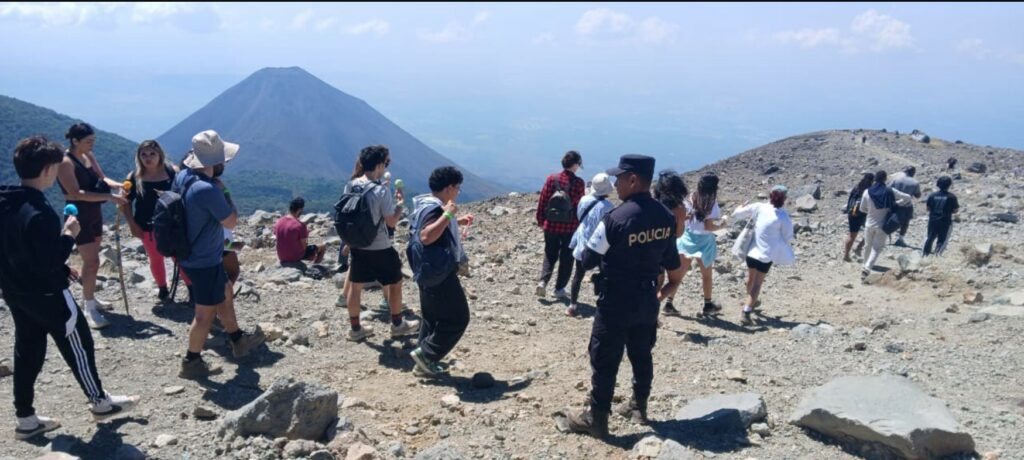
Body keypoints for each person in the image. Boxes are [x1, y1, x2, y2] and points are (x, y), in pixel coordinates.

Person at [1, 136, 139, 440]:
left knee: (27, 350)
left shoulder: (6, 201)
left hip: (15, 291)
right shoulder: (39, 212)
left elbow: (20, 248)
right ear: (47, 170)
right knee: (78, 342)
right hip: (49, 293)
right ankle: (100, 402)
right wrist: (68, 234)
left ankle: (25, 418)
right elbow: (49, 258)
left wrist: (60, 265)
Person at [563, 155, 683, 438]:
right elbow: (671, 262)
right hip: (647, 299)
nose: (615, 184)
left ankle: (597, 419)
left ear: (633, 180)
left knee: (605, 358)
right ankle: (639, 407)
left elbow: (588, 260)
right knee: (641, 354)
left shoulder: (616, 218)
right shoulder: (665, 217)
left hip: (615, 300)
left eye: (619, 178)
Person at [176, 130, 265, 379]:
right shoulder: (208, 189)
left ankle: (238, 340)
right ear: (216, 162)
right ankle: (191, 361)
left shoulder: (183, 176)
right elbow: (231, 221)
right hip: (204, 259)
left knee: (225, 291)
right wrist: (225, 192)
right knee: (204, 315)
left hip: (192, 253)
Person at [343, 145, 419, 342]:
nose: (386, 166)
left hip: (358, 245)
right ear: (378, 165)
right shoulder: (381, 190)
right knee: (395, 283)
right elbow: (391, 222)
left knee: (355, 287)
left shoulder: (351, 185)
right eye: (385, 163)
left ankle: (356, 329)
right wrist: (399, 205)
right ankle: (398, 325)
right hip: (380, 246)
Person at [56, 122, 128, 329]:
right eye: (88, 141)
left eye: (93, 140)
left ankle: (90, 298)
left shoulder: (87, 155)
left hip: (94, 211)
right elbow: (74, 193)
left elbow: (102, 178)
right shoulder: (65, 162)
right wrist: (110, 197)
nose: (92, 144)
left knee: (92, 261)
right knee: (92, 261)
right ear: (75, 141)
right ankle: (89, 308)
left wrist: (119, 186)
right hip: (78, 215)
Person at [407, 167, 473, 377]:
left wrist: (455, 220)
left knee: (432, 318)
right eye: (457, 188)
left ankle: (422, 362)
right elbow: (426, 236)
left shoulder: (423, 205)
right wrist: (448, 214)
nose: (458, 192)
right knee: (458, 318)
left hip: (425, 269)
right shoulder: (437, 209)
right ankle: (426, 355)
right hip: (439, 272)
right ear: (449, 188)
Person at [120, 140, 193, 302]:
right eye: (144, 154)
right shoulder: (134, 177)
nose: (148, 158)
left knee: (178, 257)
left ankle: (192, 289)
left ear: (160, 154)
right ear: (138, 157)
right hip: (146, 226)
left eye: (152, 154)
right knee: (155, 258)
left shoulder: (172, 172)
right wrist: (132, 224)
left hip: (172, 225)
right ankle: (162, 289)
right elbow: (125, 203)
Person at [730, 185, 795, 325]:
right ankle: (746, 311)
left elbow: (737, 214)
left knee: (750, 278)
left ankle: (750, 302)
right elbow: (788, 236)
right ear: (784, 198)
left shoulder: (759, 207)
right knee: (757, 284)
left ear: (770, 195)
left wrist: (740, 207)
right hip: (766, 256)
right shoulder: (783, 215)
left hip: (752, 253)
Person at [669, 173, 727, 317]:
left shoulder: (690, 198)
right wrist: (722, 225)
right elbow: (708, 227)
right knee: (706, 275)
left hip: (688, 237)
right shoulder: (712, 203)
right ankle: (707, 304)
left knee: (679, 274)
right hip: (704, 241)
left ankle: (669, 302)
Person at [535, 151, 586, 300]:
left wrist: (540, 220)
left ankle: (543, 282)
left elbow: (543, 200)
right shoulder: (579, 183)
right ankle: (559, 289)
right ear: (575, 165)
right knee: (567, 257)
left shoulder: (552, 179)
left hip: (551, 224)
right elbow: (579, 206)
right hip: (570, 227)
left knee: (550, 254)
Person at [565, 173, 615, 317]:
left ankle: (572, 305)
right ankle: (603, 303)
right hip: (600, 243)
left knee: (578, 275)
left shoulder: (584, 199)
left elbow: (579, 216)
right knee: (605, 273)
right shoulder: (608, 206)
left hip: (583, 239)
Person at [860, 170, 911, 276]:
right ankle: (867, 268)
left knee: (867, 245)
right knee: (876, 248)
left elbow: (862, 209)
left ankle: (864, 265)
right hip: (883, 225)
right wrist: (897, 204)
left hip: (869, 223)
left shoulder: (867, 191)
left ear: (875, 179)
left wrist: (871, 210)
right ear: (885, 179)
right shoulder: (889, 190)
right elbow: (908, 197)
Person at [651, 171, 688, 315]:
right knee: (674, 281)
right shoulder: (680, 209)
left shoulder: (653, 203)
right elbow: (679, 233)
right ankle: (652, 306)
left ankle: (650, 311)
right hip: (668, 247)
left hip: (650, 245)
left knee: (656, 281)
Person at [273, 197, 327, 265]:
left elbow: (281, 236)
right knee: (322, 245)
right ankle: (315, 267)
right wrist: (308, 236)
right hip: (295, 257)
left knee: (317, 241)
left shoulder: (279, 222)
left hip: (281, 256)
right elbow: (304, 247)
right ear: (299, 210)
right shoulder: (300, 225)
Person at [923, 176, 960, 256]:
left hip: (933, 220)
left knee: (930, 237)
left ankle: (925, 254)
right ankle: (937, 255)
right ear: (949, 185)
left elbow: (928, 208)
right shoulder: (952, 197)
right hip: (945, 221)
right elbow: (955, 210)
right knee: (942, 239)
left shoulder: (932, 195)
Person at [842, 173, 874, 262]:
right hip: (863, 215)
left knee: (852, 235)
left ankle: (846, 255)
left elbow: (850, 200)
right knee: (871, 233)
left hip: (852, 214)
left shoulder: (856, 188)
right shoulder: (869, 190)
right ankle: (859, 247)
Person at [890, 166, 921, 247]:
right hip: (906, 205)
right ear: (913, 173)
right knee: (905, 222)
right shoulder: (915, 183)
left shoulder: (896, 179)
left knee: (889, 218)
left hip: (894, 203)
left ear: (905, 171)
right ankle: (900, 239)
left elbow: (889, 189)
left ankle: (885, 234)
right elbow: (917, 195)